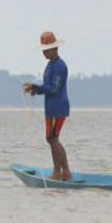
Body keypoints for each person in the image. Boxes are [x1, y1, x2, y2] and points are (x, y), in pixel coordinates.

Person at [22, 31, 72, 181]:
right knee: (51, 138)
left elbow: (54, 88)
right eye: (43, 50)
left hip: (58, 107)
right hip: (51, 107)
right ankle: (64, 172)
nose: (44, 53)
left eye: (46, 50)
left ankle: (60, 172)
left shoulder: (60, 66)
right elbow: (47, 86)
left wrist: (36, 88)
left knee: (53, 138)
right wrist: (35, 90)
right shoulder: (50, 65)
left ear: (54, 49)